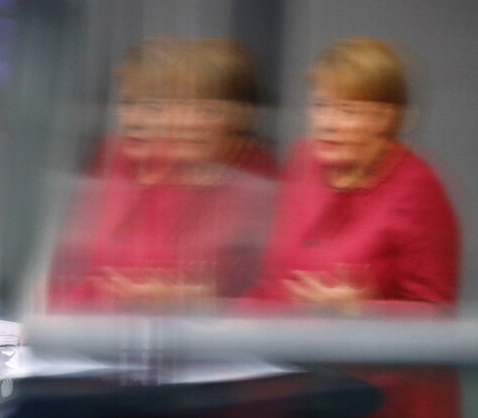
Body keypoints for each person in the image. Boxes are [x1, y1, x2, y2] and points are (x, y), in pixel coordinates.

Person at [244, 38, 459, 417]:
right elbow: (274, 283)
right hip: (299, 382)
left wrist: (358, 310)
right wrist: (211, 318)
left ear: (386, 119)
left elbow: (435, 316)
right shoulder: (303, 160)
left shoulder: (418, 187)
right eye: (320, 106)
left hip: (384, 397)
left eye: (347, 110)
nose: (327, 123)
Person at [50, 37, 276, 314]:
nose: (187, 122)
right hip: (105, 331)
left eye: (205, 109)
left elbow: (261, 296)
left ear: (242, 115)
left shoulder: (260, 188)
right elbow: (79, 267)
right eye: (182, 106)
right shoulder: (136, 161)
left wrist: (192, 299)